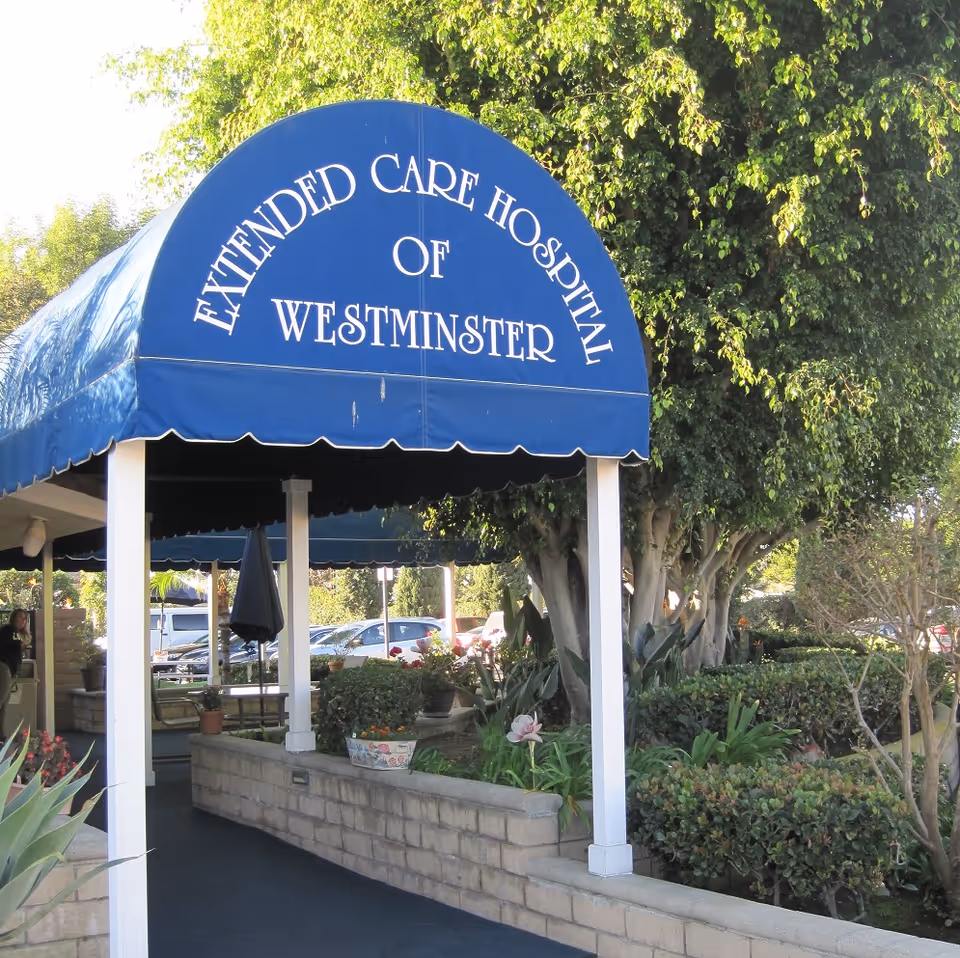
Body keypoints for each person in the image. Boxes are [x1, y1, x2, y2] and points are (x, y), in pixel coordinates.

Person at [0, 610, 27, 738]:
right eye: (20, 617)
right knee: (1, 700)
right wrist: (19, 644)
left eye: (25, 618)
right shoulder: (7, 630)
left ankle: (1, 735)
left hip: (10, 670)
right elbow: (4, 644)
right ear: (14, 618)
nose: (23, 621)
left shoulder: (16, 633)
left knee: (4, 705)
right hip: (3, 667)